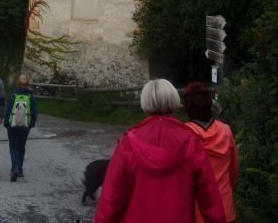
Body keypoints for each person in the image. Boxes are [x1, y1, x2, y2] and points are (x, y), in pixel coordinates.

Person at [94, 79, 226, 223]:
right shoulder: (191, 142)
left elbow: (111, 198)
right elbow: (210, 199)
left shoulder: (128, 143)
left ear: (145, 103)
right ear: (174, 101)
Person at [184, 82, 238, 223]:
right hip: (225, 208)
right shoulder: (226, 131)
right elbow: (233, 172)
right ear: (210, 104)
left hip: (197, 211)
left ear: (187, 107)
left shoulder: (185, 134)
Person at [4, 74, 37, 182]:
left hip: (13, 125)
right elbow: (34, 111)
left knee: (13, 147)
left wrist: (6, 123)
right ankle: (20, 170)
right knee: (21, 147)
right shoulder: (30, 95)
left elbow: (8, 110)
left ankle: (15, 168)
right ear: (27, 83)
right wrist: (31, 124)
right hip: (25, 125)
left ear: (18, 83)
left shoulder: (14, 94)